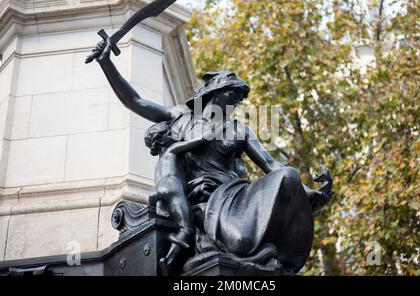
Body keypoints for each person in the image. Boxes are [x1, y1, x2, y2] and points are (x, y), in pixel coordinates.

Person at [92, 38, 333, 273]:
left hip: (237, 194)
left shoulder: (238, 129)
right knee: (240, 242)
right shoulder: (181, 117)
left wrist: (307, 190)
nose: (237, 102)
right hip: (204, 200)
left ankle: (271, 251)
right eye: (234, 94)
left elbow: (272, 165)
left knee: (287, 176)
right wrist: (106, 64)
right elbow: (135, 101)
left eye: (239, 98)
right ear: (216, 92)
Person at [144, 120, 221, 275]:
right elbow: (201, 140)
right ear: (161, 140)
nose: (174, 135)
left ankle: (170, 242)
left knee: (171, 222)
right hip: (172, 187)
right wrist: (217, 129)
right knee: (187, 228)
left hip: (157, 190)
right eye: (169, 133)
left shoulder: (159, 162)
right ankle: (168, 260)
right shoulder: (172, 149)